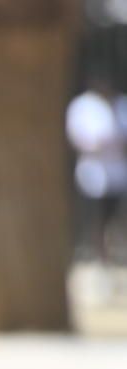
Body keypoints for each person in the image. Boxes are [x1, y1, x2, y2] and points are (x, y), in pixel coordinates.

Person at [66, 74, 127, 265]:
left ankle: (116, 251)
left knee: (116, 214)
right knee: (95, 216)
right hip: (92, 172)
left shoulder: (121, 105)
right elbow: (76, 137)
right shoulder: (83, 106)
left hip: (117, 171)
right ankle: (98, 254)